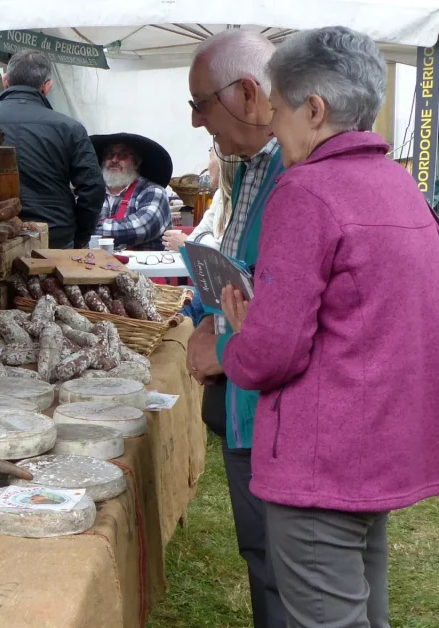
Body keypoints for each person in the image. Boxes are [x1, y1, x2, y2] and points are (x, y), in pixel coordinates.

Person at [219, 27, 439, 628]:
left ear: (313, 111)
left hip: (322, 462)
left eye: (279, 110)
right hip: (381, 450)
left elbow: (272, 353)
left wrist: (240, 339)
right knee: (366, 611)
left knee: (328, 618)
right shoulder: (401, 185)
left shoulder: (306, 191)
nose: (271, 126)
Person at [185, 29, 287, 628]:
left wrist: (222, 345)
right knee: (262, 555)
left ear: (249, 93)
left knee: (282, 566)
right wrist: (204, 320)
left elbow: (285, 312)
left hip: (270, 408)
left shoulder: (294, 180)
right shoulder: (249, 169)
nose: (199, 122)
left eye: (201, 104)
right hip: (246, 404)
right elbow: (241, 273)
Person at [0, 50, 104, 249]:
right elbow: (93, 188)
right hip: (54, 237)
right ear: (47, 86)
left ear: (5, 81)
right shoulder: (69, 128)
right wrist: (80, 236)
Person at [90, 133, 173, 250]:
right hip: (96, 264)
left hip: (143, 266)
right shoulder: (92, 192)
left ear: (136, 162)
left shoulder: (153, 191)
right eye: (109, 154)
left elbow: (142, 228)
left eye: (122, 155)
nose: (114, 159)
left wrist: (85, 229)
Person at [164, 149, 238, 251]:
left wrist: (191, 242)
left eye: (211, 158)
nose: (208, 167)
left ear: (223, 163)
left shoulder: (241, 200)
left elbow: (222, 247)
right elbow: (196, 236)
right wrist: (202, 241)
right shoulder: (220, 195)